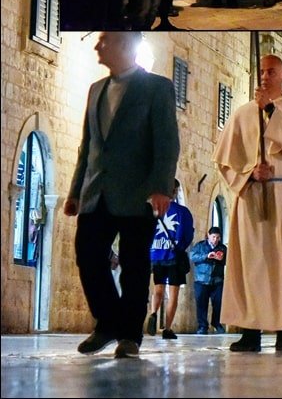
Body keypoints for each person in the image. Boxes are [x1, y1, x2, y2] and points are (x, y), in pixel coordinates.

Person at [65, 32, 180, 358]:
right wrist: (76, 190)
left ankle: (129, 335)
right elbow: (87, 146)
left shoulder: (157, 88)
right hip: (96, 190)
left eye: (105, 40)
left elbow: (167, 140)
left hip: (138, 191)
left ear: (126, 46)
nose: (98, 46)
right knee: (87, 255)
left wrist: (161, 186)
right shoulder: (96, 90)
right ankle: (108, 322)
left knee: (134, 265)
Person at [213, 54, 282, 352]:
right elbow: (224, 163)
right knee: (254, 264)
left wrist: (272, 111)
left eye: (271, 72)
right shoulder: (242, 115)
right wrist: (249, 173)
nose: (264, 77)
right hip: (253, 196)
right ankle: (250, 329)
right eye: (261, 72)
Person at [147, 179, 194, 340]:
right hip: (174, 256)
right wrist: (179, 247)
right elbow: (188, 234)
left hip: (156, 255)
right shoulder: (183, 212)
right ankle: (167, 328)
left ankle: (153, 312)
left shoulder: (154, 210)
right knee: (173, 293)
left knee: (158, 289)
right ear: (174, 192)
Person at [189, 227, 227, 334]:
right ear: (208, 235)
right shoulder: (200, 246)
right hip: (201, 280)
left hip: (217, 281)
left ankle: (216, 323)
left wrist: (222, 259)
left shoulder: (223, 248)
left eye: (218, 237)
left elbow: (229, 260)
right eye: (213, 237)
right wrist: (206, 256)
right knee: (201, 304)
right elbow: (192, 256)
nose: (215, 240)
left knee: (218, 303)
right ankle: (202, 326)